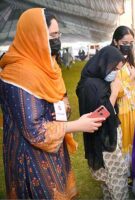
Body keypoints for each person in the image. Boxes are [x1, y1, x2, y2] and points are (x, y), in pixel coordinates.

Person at [0, 8, 103, 199]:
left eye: (58, 34)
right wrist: (77, 125)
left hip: (54, 148)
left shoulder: (48, 65)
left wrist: (63, 106)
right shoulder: (19, 74)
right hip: (31, 159)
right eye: (52, 35)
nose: (57, 40)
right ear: (35, 35)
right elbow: (35, 132)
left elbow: (59, 99)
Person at [76, 46, 129, 200]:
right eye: (114, 69)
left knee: (111, 176)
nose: (116, 73)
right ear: (104, 63)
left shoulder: (100, 79)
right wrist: (113, 94)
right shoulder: (89, 86)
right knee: (116, 174)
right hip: (103, 140)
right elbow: (97, 116)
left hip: (110, 132)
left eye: (118, 69)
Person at [110, 26, 135, 165]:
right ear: (116, 41)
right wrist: (131, 80)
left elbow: (132, 81)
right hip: (122, 110)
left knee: (133, 139)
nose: (128, 46)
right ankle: (124, 171)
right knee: (124, 141)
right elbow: (116, 91)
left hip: (132, 108)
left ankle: (132, 168)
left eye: (131, 43)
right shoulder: (112, 62)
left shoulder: (127, 58)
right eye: (124, 43)